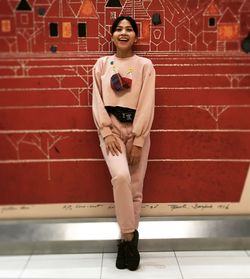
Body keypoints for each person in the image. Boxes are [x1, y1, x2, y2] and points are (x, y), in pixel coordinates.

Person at [92, 15, 155, 271]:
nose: (124, 32)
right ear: (112, 35)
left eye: (129, 29)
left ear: (136, 37)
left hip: (136, 133)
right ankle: (128, 236)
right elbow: (96, 99)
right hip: (112, 134)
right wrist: (106, 132)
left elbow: (147, 101)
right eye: (119, 29)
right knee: (121, 178)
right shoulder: (102, 64)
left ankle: (128, 246)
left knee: (136, 188)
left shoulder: (145, 65)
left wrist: (139, 139)